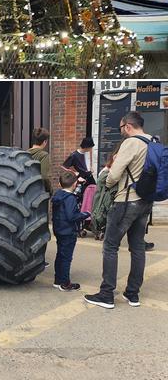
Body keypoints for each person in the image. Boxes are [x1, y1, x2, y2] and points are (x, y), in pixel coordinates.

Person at [85, 112, 154, 309]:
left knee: (110, 246)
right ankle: (133, 294)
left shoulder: (131, 143)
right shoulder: (153, 142)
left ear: (128, 126)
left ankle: (106, 294)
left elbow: (114, 175)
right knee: (137, 247)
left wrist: (107, 182)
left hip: (126, 201)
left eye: (121, 128)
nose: (121, 131)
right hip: (145, 202)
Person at [52, 172, 91, 291]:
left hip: (59, 230)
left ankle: (58, 280)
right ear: (74, 184)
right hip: (68, 232)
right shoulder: (70, 199)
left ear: (60, 184)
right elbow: (72, 216)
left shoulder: (58, 195)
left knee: (60, 255)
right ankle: (65, 283)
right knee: (66, 258)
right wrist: (85, 214)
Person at [62, 137, 96, 201]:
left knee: (94, 195)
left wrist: (90, 168)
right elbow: (64, 166)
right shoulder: (74, 155)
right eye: (90, 147)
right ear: (86, 147)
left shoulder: (87, 153)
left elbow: (87, 164)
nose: (91, 149)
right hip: (81, 180)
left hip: (90, 178)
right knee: (80, 198)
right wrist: (75, 174)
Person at [28, 127, 52, 195]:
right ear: (45, 142)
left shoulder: (24, 154)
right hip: (38, 192)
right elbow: (44, 177)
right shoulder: (44, 155)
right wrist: (50, 190)